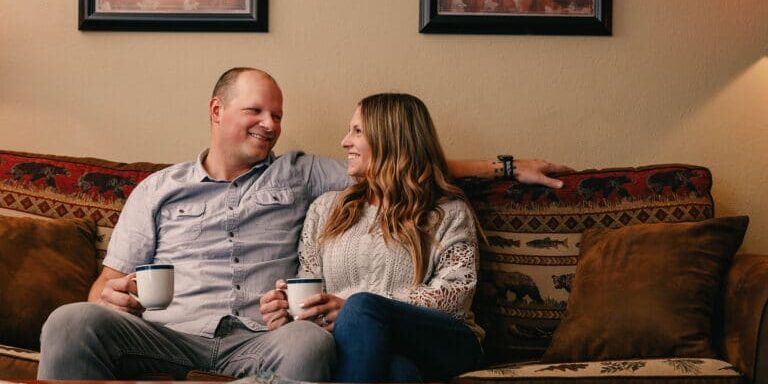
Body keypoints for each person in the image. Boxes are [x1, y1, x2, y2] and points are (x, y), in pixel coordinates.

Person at [38, 67, 570, 381]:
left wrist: (504, 166)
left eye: (278, 115)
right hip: (168, 333)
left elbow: (402, 160)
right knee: (70, 320)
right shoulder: (156, 189)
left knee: (310, 345)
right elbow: (104, 287)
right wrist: (113, 298)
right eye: (256, 112)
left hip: (261, 341)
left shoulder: (300, 174)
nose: (271, 126)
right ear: (217, 109)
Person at [259, 93, 487, 382]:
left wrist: (355, 308)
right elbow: (311, 283)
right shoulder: (326, 209)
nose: (344, 142)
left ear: (390, 139)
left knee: (362, 306)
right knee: (399, 373)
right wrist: (288, 311)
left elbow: (454, 295)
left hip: (443, 342)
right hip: (363, 347)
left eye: (357, 132)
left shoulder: (448, 212)